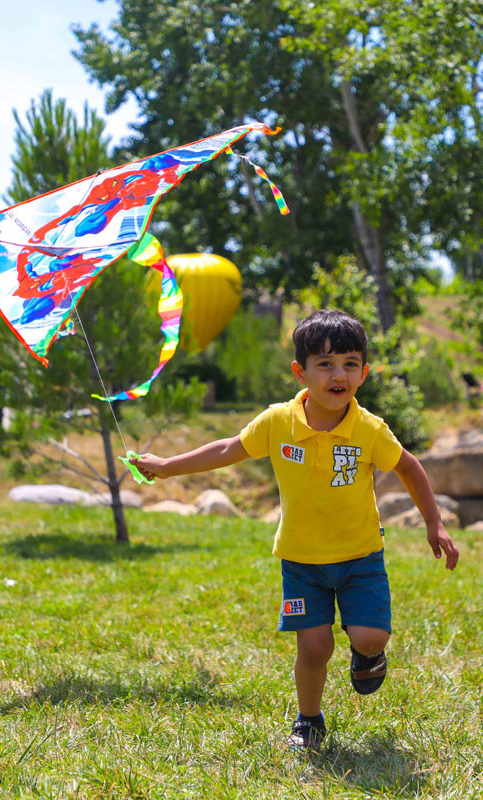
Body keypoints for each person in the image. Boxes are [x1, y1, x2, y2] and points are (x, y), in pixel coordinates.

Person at [135, 309, 459, 751]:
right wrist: (168, 468)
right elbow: (230, 448)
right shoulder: (278, 422)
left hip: (360, 556)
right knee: (314, 647)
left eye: (348, 363)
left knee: (371, 635)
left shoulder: (368, 429)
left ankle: (367, 654)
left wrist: (433, 522)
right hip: (302, 560)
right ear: (300, 372)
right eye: (324, 364)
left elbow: (408, 466)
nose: (337, 374)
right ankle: (309, 720)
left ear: (363, 373)